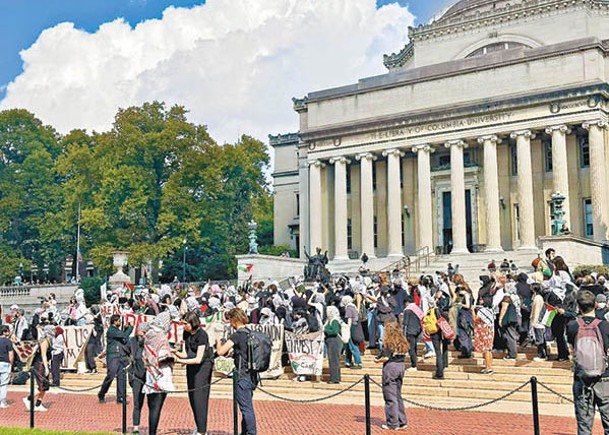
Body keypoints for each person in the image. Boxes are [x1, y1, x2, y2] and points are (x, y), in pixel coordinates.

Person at [567, 290, 609, 434]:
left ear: (578, 307)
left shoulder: (572, 326)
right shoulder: (605, 326)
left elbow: (572, 350)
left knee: (584, 425)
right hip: (604, 378)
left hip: (582, 378)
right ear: (595, 305)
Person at [216, 308, 258, 435]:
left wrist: (218, 343)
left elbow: (220, 352)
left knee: (246, 408)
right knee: (247, 406)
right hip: (252, 375)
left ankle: (251, 433)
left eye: (230, 321)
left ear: (234, 320)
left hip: (242, 375)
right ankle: (245, 432)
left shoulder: (237, 335)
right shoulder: (250, 333)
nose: (230, 324)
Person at [174, 311, 214, 435]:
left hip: (203, 367)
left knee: (199, 398)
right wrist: (173, 352)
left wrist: (180, 360)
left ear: (193, 322)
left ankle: (202, 431)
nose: (183, 326)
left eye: (185, 323)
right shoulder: (186, 334)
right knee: (192, 398)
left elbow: (198, 359)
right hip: (191, 367)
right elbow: (186, 354)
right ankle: (199, 426)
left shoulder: (202, 335)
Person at [375, 319, 409, 431]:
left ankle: (392, 423)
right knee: (397, 395)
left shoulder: (389, 342)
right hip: (400, 366)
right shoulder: (402, 341)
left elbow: (386, 357)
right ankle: (402, 421)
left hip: (391, 367)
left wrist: (377, 361)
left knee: (390, 397)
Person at [98, 314, 133, 404]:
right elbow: (124, 336)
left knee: (121, 377)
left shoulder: (117, 331)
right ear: (115, 322)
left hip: (121, 356)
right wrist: (130, 327)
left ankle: (120, 397)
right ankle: (102, 393)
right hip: (113, 356)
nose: (120, 322)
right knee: (111, 375)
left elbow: (123, 338)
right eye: (119, 321)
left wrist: (125, 329)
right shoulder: (111, 330)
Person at [23, 325, 53, 412]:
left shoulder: (48, 341)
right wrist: (46, 368)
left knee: (45, 386)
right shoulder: (44, 341)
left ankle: (38, 404)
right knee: (41, 385)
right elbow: (43, 355)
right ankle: (28, 398)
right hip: (40, 365)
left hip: (44, 364)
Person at [127, 323, 148, 435]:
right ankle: (136, 427)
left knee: (150, 402)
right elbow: (124, 349)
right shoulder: (133, 341)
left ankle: (152, 426)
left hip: (148, 376)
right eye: (140, 332)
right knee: (137, 403)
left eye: (143, 333)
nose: (141, 335)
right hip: (136, 376)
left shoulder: (149, 342)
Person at [324, 305, 342, 384]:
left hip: (334, 342)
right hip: (330, 342)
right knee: (332, 360)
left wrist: (325, 330)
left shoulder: (334, 321)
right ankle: (334, 377)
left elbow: (335, 331)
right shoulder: (329, 320)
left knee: (334, 360)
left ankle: (335, 378)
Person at [0, 325, 13, 408]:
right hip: (5, 363)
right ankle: (2, 401)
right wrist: (11, 364)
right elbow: (10, 354)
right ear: (4, 332)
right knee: (4, 383)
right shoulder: (8, 341)